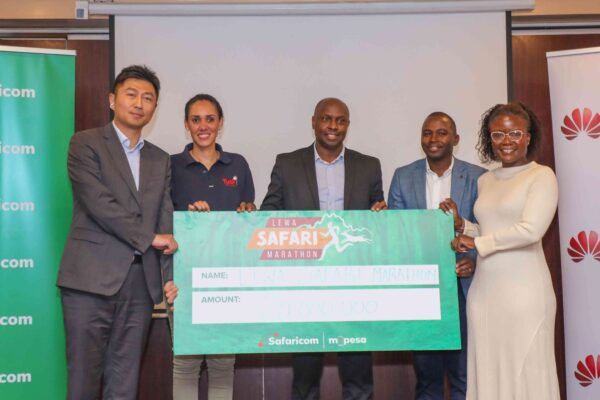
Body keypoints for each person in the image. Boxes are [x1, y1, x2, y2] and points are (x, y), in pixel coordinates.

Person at [57, 65, 178, 400]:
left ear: (155, 107)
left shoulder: (160, 159)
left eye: (148, 98)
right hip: (89, 281)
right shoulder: (85, 143)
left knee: (125, 384)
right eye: (131, 95)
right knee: (83, 381)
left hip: (140, 284)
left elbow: (164, 220)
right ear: (112, 100)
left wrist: (169, 277)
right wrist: (149, 238)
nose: (139, 103)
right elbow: (99, 204)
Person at [261, 97, 386, 400]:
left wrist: (381, 216)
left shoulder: (369, 166)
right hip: (304, 284)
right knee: (305, 379)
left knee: (358, 376)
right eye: (326, 118)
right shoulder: (287, 163)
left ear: (347, 125)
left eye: (340, 120)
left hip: (354, 284)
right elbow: (269, 214)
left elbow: (377, 221)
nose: (333, 126)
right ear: (314, 122)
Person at [452, 102, 560, 400]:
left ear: (528, 136)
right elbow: (491, 228)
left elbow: (531, 230)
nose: (506, 141)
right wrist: (465, 228)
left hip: (524, 294)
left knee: (527, 371)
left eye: (514, 133)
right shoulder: (485, 180)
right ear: (489, 139)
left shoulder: (542, 176)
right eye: (498, 134)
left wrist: (478, 243)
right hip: (484, 293)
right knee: (488, 370)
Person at [388, 112, 486, 400]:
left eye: (441, 133)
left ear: (455, 139)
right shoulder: (403, 176)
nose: (433, 139)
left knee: (463, 376)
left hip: (463, 288)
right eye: (427, 133)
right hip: (422, 290)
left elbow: (490, 230)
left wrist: (473, 261)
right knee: (427, 378)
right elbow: (397, 233)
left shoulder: (479, 177)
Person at [171, 94, 256, 400]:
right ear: (186, 125)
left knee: (222, 365)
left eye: (210, 119)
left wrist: (249, 211)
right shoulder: (170, 166)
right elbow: (160, 220)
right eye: (196, 120)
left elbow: (247, 218)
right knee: (185, 364)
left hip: (228, 279)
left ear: (221, 123)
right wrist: (189, 219)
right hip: (184, 281)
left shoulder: (238, 164)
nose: (203, 126)